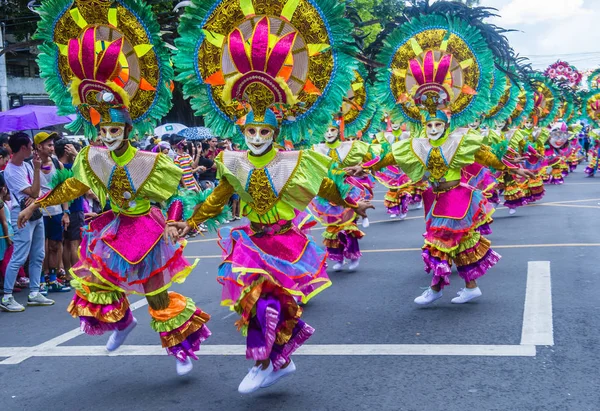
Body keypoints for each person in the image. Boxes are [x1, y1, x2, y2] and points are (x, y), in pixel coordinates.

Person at [173, 0, 367, 392]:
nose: (257, 138)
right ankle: (272, 363)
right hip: (252, 240)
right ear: (242, 131)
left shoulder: (298, 161)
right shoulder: (232, 162)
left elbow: (325, 185)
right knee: (257, 303)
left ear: (275, 133)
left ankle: (271, 363)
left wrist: (351, 202)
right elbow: (218, 198)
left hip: (286, 240)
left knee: (277, 306)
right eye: (251, 132)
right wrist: (190, 222)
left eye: (264, 132)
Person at [27, 4, 216, 375]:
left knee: (157, 293)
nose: (107, 136)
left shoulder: (151, 160)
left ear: (126, 131)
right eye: (103, 131)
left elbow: (180, 192)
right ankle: (123, 322)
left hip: (147, 227)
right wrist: (37, 205)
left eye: (114, 131)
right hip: (114, 226)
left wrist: (179, 222)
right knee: (96, 279)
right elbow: (76, 187)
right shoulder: (93, 157)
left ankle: (180, 351)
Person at [0, 132, 54, 312]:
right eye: (30, 146)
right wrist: (37, 170)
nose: (33, 149)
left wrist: (35, 175)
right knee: (20, 255)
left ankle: (34, 292)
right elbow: (33, 191)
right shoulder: (11, 170)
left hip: (36, 211)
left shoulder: (27, 165)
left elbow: (36, 193)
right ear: (22, 148)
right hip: (20, 214)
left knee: (38, 254)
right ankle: (7, 297)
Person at [34, 132, 72, 292]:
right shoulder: (31, 164)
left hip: (56, 212)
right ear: (39, 146)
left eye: (52, 145)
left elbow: (63, 191)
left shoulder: (58, 164)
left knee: (56, 245)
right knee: (41, 248)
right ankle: (41, 279)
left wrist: (65, 212)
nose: (51, 148)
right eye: (48, 145)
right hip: (38, 213)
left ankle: (54, 279)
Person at [55, 138, 85, 275]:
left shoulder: (56, 166)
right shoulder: (71, 167)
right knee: (75, 243)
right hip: (74, 209)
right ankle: (77, 274)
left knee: (66, 243)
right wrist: (77, 154)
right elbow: (87, 169)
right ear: (67, 150)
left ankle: (68, 274)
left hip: (61, 210)